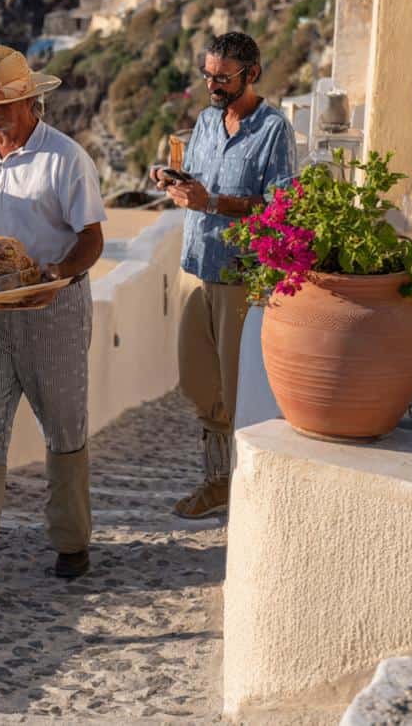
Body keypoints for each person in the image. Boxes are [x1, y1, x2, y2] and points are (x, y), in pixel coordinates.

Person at [0, 45, 106, 601]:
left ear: (32, 100)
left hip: (55, 308)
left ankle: (72, 540)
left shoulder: (66, 159)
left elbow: (92, 238)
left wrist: (56, 272)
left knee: (63, 424)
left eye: (3, 103)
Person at [151, 32, 295, 518]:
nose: (211, 85)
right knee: (199, 384)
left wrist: (211, 202)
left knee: (237, 392)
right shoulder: (207, 122)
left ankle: (246, 491)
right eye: (207, 74)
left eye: (222, 77)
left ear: (251, 75)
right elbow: (197, 183)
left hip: (238, 278)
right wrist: (175, 183)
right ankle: (217, 484)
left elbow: (280, 205)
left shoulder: (274, 130)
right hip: (194, 268)